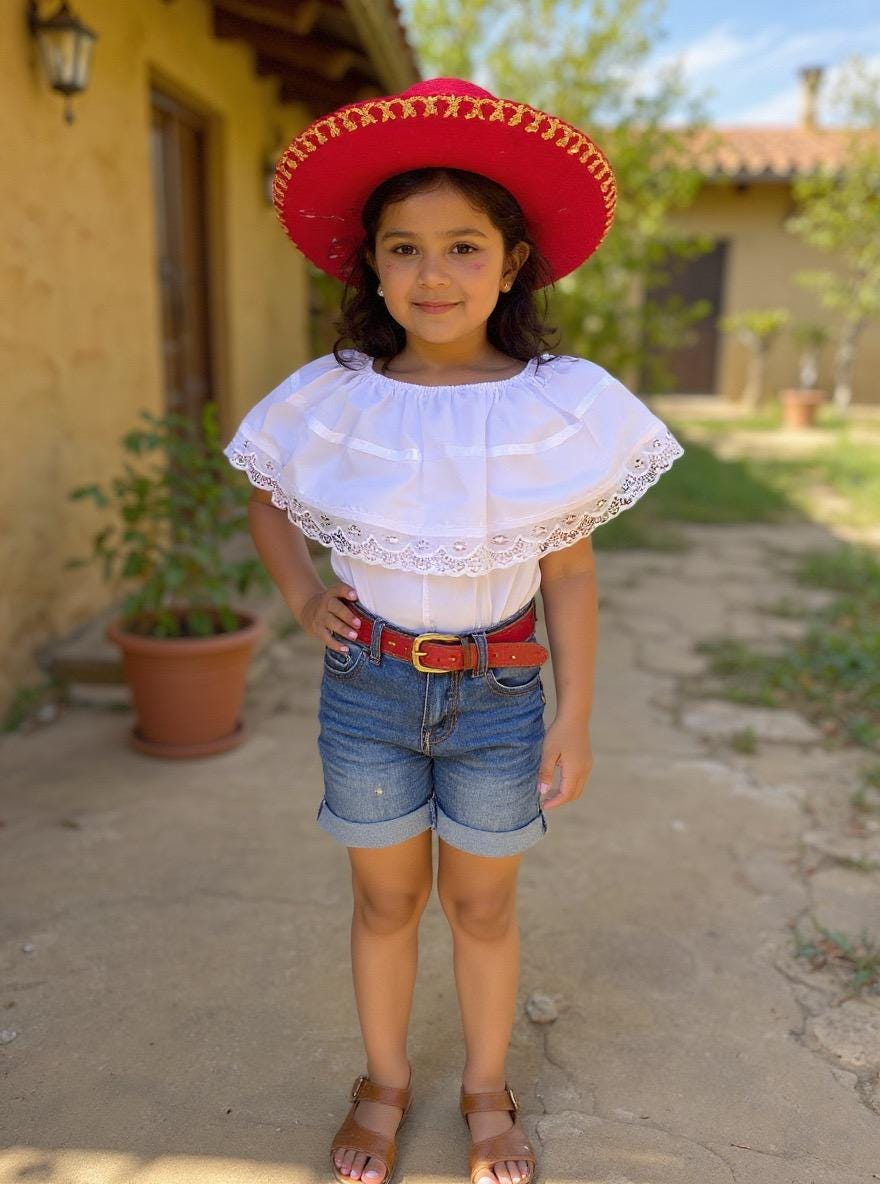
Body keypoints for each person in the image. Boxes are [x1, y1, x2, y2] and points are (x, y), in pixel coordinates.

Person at [223, 77, 685, 1184]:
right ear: (373, 267)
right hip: (368, 690)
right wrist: (302, 597)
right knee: (385, 899)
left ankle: (485, 1089)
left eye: (464, 247)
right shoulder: (337, 396)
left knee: (481, 904)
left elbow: (569, 571)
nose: (433, 274)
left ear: (512, 262)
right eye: (405, 249)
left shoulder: (551, 404)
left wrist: (575, 714)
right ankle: (383, 1083)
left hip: (499, 697)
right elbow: (267, 500)